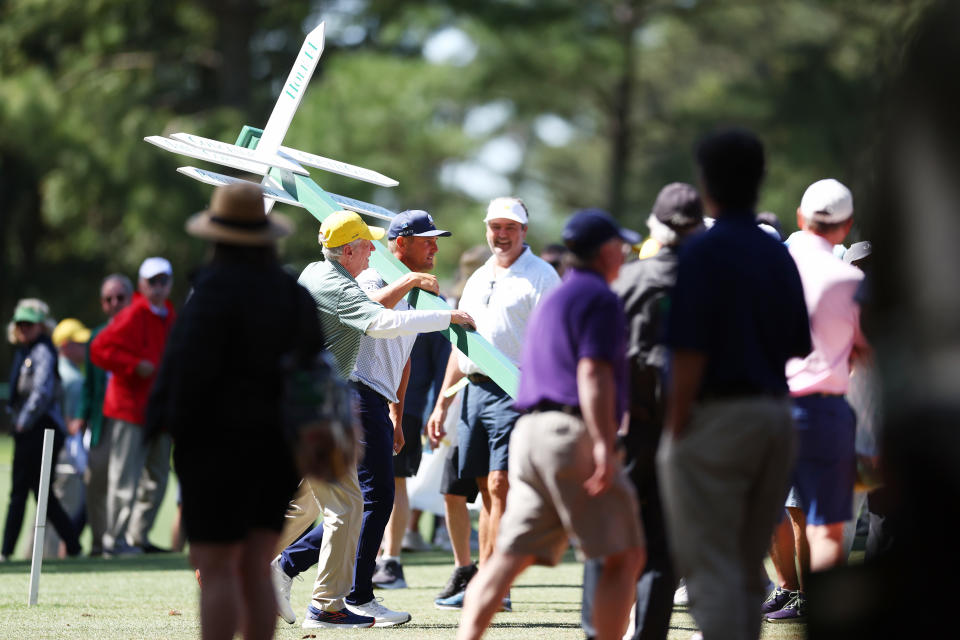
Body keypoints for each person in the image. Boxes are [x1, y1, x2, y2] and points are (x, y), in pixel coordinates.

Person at [271, 209, 471, 628]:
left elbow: (404, 356)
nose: (435, 246)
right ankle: (338, 597)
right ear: (400, 244)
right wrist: (427, 299)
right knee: (362, 501)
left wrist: (397, 411)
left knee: (321, 501)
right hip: (349, 394)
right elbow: (375, 320)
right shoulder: (366, 278)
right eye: (426, 239)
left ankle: (266, 565)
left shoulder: (364, 276)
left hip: (357, 399)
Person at [456, 209, 645, 640]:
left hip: (530, 433)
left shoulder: (556, 296)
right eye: (620, 246)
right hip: (570, 432)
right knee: (625, 553)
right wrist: (603, 443)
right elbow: (593, 373)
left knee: (507, 557)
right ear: (605, 252)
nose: (624, 253)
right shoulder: (598, 298)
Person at [144, 182, 320, 640]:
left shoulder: (209, 294)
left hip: (211, 447)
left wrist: (163, 428)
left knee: (217, 568)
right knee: (256, 564)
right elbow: (314, 369)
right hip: (277, 447)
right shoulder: (291, 294)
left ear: (217, 235)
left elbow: (181, 374)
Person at [656, 128, 811, 640]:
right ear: (760, 180)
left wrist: (675, 435)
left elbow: (687, 354)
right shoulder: (778, 254)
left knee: (712, 561)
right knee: (746, 562)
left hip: (717, 418)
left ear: (706, 183)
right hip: (774, 417)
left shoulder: (702, 253)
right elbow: (798, 345)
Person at [582, 183, 705, 640]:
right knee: (661, 549)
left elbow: (593, 367)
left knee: (608, 541)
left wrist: (597, 438)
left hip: (626, 431)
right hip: (688, 436)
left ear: (655, 226)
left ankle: (599, 633)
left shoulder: (626, 281)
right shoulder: (716, 284)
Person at [427, 197, 561, 611]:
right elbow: (460, 343)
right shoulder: (479, 275)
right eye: (495, 227)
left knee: (502, 486)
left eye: (510, 228)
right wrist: (442, 402)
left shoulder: (542, 275)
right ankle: (489, 579)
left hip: (516, 389)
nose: (501, 235)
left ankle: (494, 584)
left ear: (524, 231)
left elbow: (553, 342)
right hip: (474, 390)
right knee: (485, 490)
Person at [763, 179, 869, 624]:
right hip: (825, 407)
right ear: (845, 228)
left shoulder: (770, 269)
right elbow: (865, 349)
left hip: (767, 406)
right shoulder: (851, 279)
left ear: (801, 219)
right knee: (827, 526)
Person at [90, 256, 177, 556]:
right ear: (142, 284)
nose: (158, 286)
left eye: (163, 280)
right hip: (129, 410)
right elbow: (99, 349)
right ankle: (114, 542)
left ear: (170, 283)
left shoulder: (170, 314)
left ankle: (137, 539)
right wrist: (132, 365)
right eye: (152, 281)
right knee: (124, 479)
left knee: (157, 478)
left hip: (159, 412)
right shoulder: (132, 314)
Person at [2, 299, 82, 560]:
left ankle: (5, 551)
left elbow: (41, 392)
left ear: (41, 326)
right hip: (29, 430)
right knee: (41, 495)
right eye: (20, 324)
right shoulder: (23, 352)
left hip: (40, 430)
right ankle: (73, 545)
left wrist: (22, 421)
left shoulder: (43, 351)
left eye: (30, 324)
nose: (24, 328)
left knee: (22, 492)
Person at [70, 274, 133, 557]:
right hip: (102, 419)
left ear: (130, 299)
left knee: (127, 483)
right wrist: (80, 417)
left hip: (132, 419)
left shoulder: (141, 333)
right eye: (109, 299)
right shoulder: (95, 336)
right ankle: (98, 544)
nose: (115, 303)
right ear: (102, 303)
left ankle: (121, 542)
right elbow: (89, 385)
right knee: (96, 482)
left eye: (120, 297)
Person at [41, 318, 93, 557]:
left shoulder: (57, 371)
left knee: (46, 507)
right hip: (67, 454)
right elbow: (71, 423)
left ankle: (38, 556)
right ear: (64, 345)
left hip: (53, 450)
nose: (84, 348)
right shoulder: (72, 378)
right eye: (78, 343)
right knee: (63, 509)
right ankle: (53, 562)